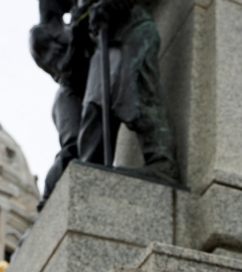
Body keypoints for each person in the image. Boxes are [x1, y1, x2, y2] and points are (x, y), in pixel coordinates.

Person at [78, 0, 179, 182]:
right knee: (94, 108)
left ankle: (162, 162)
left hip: (134, 28)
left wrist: (111, 3)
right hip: (106, 41)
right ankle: (91, 176)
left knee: (140, 96)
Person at [30, 0, 91, 209]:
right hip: (69, 95)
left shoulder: (70, 26)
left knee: (91, 149)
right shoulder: (39, 34)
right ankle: (46, 202)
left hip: (89, 92)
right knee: (73, 147)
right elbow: (64, 68)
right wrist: (78, 31)